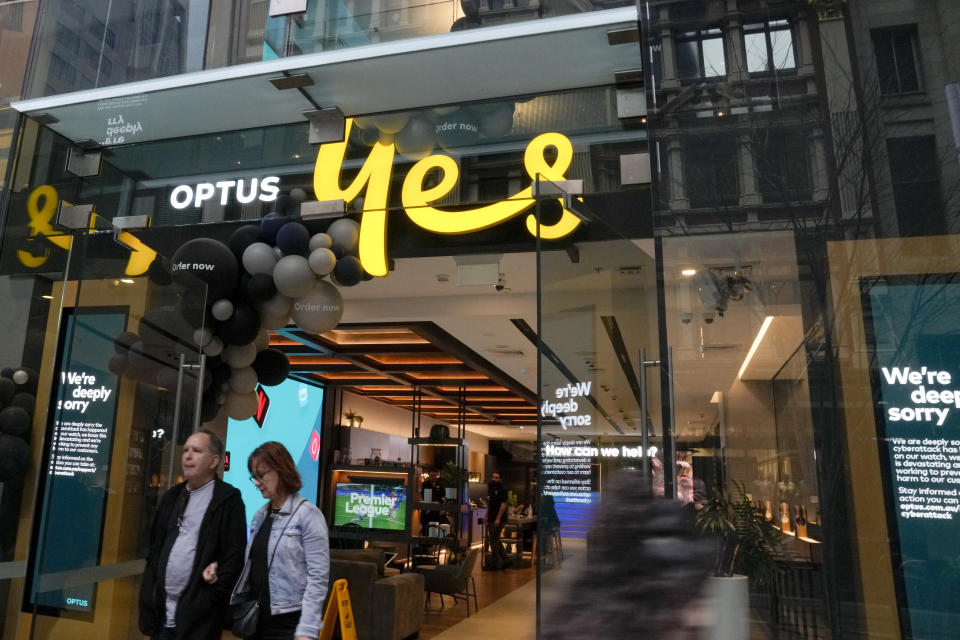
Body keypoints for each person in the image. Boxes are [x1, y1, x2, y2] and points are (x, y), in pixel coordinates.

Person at [139, 429, 247, 640]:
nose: (187, 455)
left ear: (214, 461)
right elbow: (154, 550)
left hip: (198, 623)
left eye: (196, 450)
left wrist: (209, 600)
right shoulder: (172, 496)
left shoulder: (228, 501)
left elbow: (234, 558)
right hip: (161, 617)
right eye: (186, 450)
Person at [231, 441, 329, 640]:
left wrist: (308, 629)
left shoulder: (308, 515)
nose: (257, 483)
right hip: (257, 621)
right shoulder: (260, 516)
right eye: (254, 477)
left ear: (281, 470)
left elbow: (318, 578)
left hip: (290, 626)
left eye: (261, 475)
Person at [485, 471, 509, 570]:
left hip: (499, 519)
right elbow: (490, 505)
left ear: (500, 479)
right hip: (491, 518)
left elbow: (503, 505)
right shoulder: (491, 489)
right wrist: (486, 515)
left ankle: (494, 564)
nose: (494, 479)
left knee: (493, 540)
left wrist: (498, 518)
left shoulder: (503, 490)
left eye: (496, 477)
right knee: (495, 540)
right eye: (493, 477)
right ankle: (506, 561)